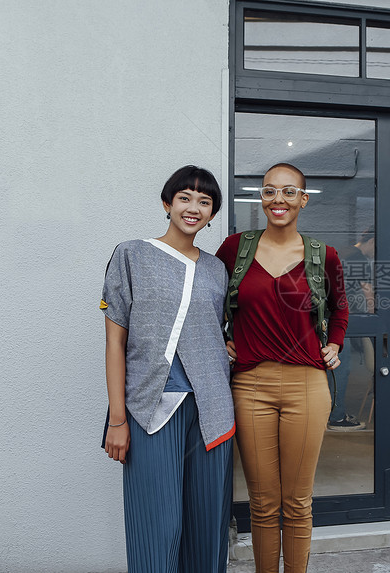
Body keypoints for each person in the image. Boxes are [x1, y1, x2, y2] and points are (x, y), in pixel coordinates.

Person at [216, 163, 348, 573]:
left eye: (289, 192)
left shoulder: (322, 255)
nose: (279, 200)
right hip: (250, 386)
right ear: (262, 198)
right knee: (263, 501)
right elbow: (206, 301)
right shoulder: (234, 249)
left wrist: (335, 344)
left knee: (297, 500)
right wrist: (219, 341)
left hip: (307, 385)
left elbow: (341, 306)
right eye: (270, 191)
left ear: (303, 200)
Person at [101, 165, 234, 573]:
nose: (193, 208)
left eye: (205, 202)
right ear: (167, 203)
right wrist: (117, 420)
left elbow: (215, 331)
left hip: (212, 411)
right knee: (157, 525)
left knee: (208, 526)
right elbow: (114, 342)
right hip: (149, 409)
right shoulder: (131, 254)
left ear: (212, 215)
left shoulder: (217, 269)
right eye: (185, 198)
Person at [326, 228, 374, 431]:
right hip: (345, 319)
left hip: (328, 317)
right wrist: (373, 314)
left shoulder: (343, 252)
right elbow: (366, 292)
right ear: (373, 242)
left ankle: (330, 413)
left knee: (332, 368)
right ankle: (336, 418)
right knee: (341, 368)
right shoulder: (360, 259)